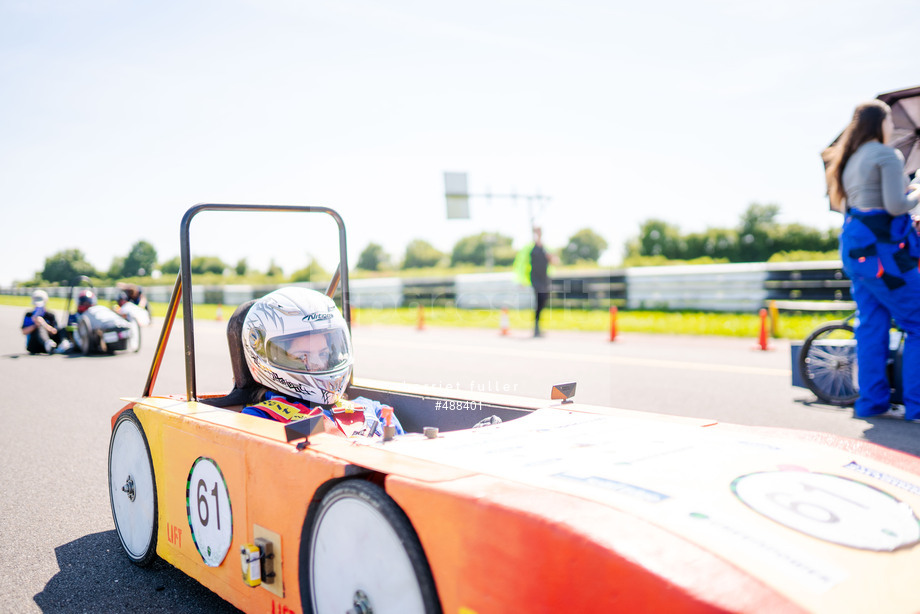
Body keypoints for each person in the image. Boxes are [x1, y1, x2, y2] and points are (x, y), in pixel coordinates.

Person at [825, 99, 920, 420]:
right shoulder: (885, 154)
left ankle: (872, 403)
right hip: (886, 258)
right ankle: (917, 406)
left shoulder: (847, 160)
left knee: (872, 327)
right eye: (890, 121)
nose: (892, 127)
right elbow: (896, 206)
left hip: (857, 253)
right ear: (879, 123)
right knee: (918, 322)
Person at [238, 287, 402, 436]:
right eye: (302, 356)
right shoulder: (261, 418)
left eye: (324, 353)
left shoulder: (375, 410)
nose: (318, 364)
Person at [529, 227, 557, 337]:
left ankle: (537, 327)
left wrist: (551, 257)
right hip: (535, 279)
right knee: (538, 301)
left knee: (543, 301)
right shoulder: (531, 248)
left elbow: (555, 261)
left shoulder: (546, 249)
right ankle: (536, 327)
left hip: (544, 279)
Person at [21, 290, 62, 354]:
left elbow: (54, 331)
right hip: (34, 345)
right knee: (39, 327)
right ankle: (47, 343)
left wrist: (43, 323)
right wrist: (35, 325)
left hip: (50, 344)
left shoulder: (50, 315)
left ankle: (48, 344)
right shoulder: (29, 315)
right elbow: (24, 331)